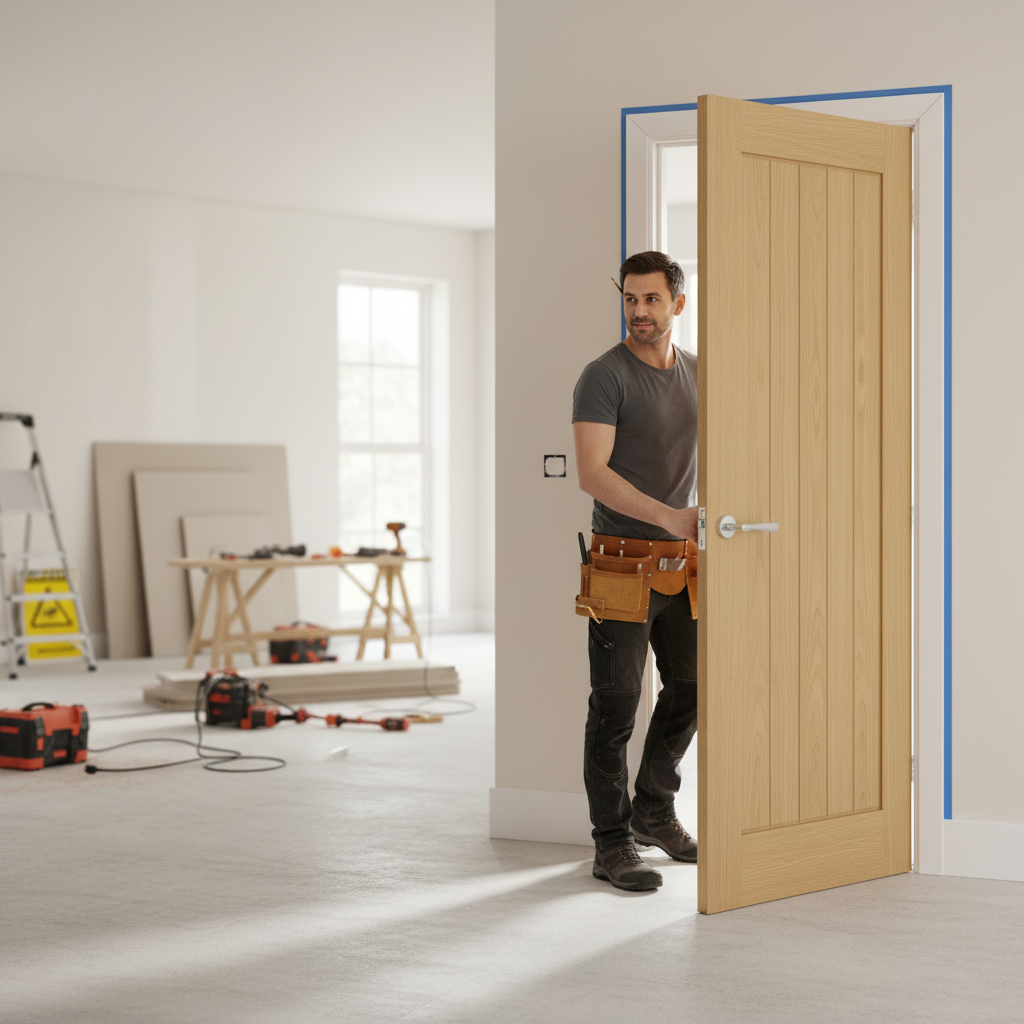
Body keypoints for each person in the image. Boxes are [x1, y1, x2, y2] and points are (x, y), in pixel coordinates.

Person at [572, 250, 699, 892]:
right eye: (630, 299)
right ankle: (611, 841)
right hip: (620, 564)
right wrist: (672, 517)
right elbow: (592, 472)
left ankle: (653, 809)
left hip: (686, 567)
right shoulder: (604, 375)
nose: (639, 312)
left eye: (652, 300)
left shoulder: (702, 373)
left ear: (678, 303)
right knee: (616, 705)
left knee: (693, 688)